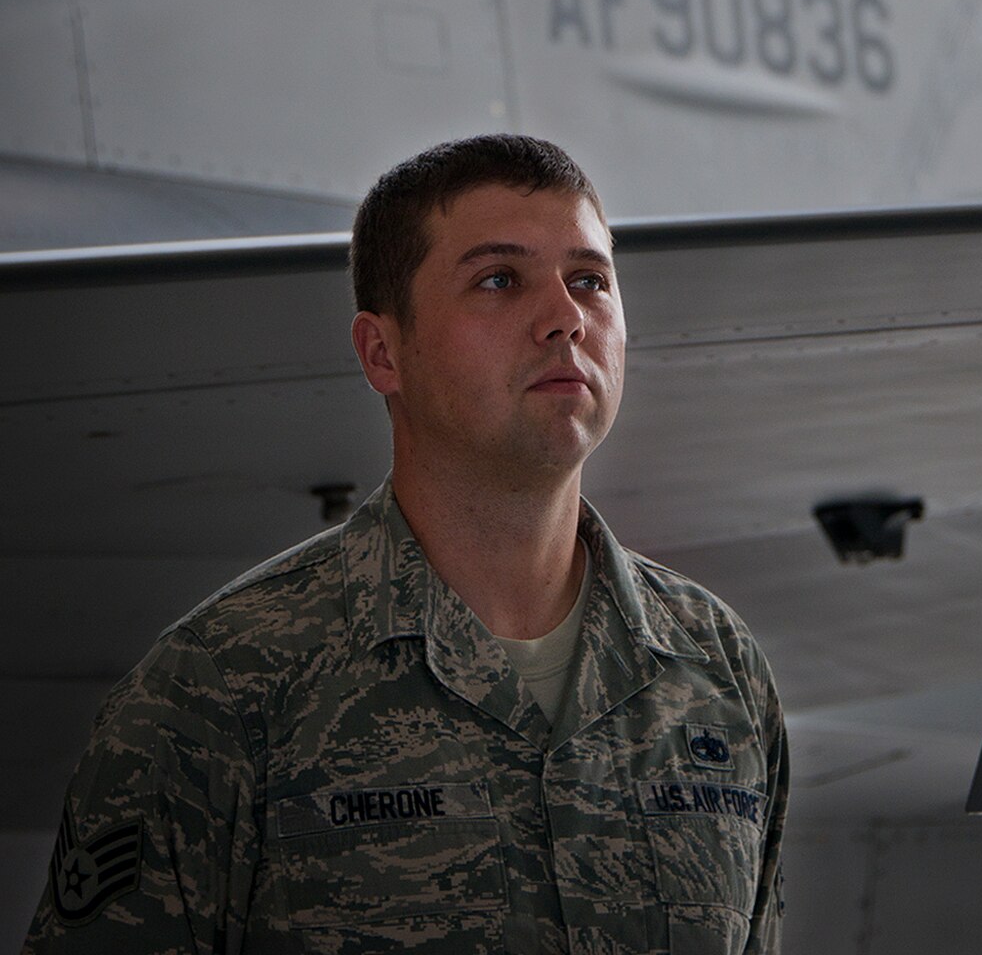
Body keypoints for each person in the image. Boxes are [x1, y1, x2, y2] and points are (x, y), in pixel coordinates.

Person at [25, 134, 788, 952]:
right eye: (499, 280)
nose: (565, 318)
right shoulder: (224, 687)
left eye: (589, 281)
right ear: (382, 352)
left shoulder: (716, 670)